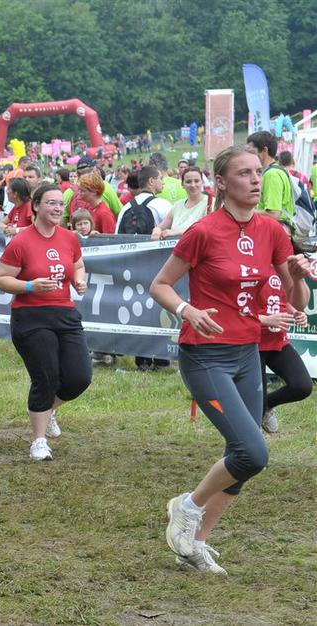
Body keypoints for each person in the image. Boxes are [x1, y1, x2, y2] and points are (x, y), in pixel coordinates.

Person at [150, 146, 311, 575]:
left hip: (248, 353)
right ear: (221, 183)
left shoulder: (272, 231)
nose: (256, 180)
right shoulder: (203, 232)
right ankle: (187, 508)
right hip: (206, 356)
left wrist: (297, 279)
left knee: (239, 456)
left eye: (258, 171)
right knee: (252, 452)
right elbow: (160, 285)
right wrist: (187, 310)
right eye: (244, 173)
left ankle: (195, 543)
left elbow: (296, 302)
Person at [0, 184, 91, 461]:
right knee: (46, 375)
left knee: (79, 378)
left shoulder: (69, 238)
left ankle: (49, 410)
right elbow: (0, 279)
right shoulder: (21, 241)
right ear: (36, 206)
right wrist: (29, 286)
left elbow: (78, 265)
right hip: (31, 316)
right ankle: (38, 441)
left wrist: (79, 280)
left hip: (65, 313)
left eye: (60, 203)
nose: (58, 208)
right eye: (51, 203)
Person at [257, 225, 313, 433]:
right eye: (277, 236)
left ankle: (266, 406)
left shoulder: (288, 269)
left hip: (277, 341)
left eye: (287, 237)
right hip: (251, 343)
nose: (282, 241)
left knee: (302, 386)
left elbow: (286, 300)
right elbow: (233, 308)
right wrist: (265, 319)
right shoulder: (251, 265)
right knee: (253, 401)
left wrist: (296, 312)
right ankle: (248, 445)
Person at [151, 166, 210, 240]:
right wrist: (157, 230)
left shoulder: (210, 202)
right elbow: (161, 226)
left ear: (202, 183)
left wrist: (177, 232)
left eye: (196, 181)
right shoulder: (178, 205)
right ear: (182, 185)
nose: (193, 185)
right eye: (188, 182)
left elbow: (209, 229)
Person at [247, 131, 294, 222]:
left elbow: (273, 214)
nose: (248, 155)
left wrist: (245, 212)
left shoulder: (272, 175)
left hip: (277, 227)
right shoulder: (275, 171)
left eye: (251, 151)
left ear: (264, 150)